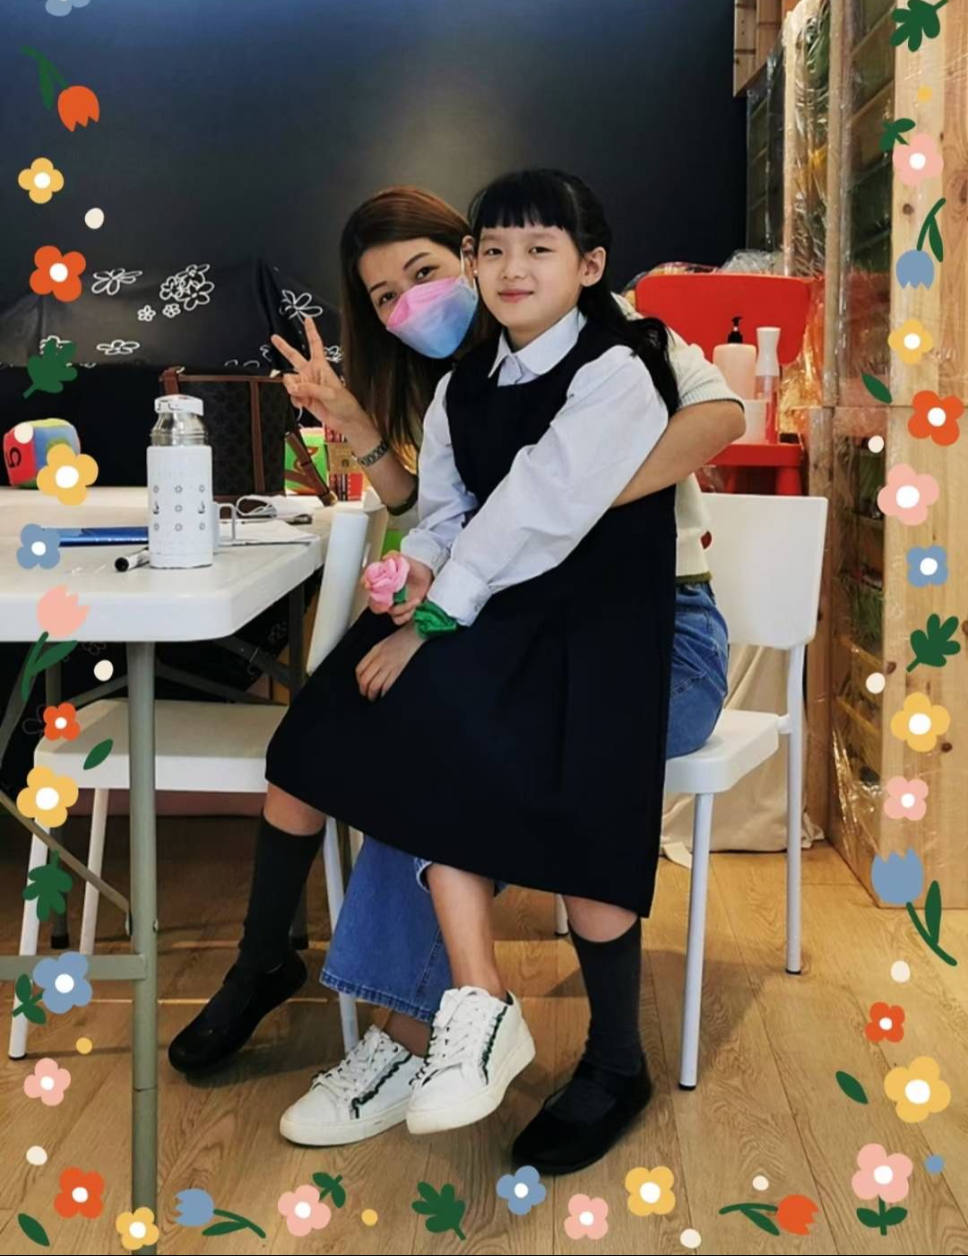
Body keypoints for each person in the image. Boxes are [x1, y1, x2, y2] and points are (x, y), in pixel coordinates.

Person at [169, 180, 742, 1169]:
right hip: (510, 612)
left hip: (648, 624)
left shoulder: (621, 345)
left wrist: (567, 503)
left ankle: (577, 1051)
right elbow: (443, 513)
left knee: (477, 741)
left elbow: (678, 437)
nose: (415, 303)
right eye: (386, 296)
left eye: (424, 273)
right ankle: (408, 1023)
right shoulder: (455, 388)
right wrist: (423, 570)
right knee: (359, 728)